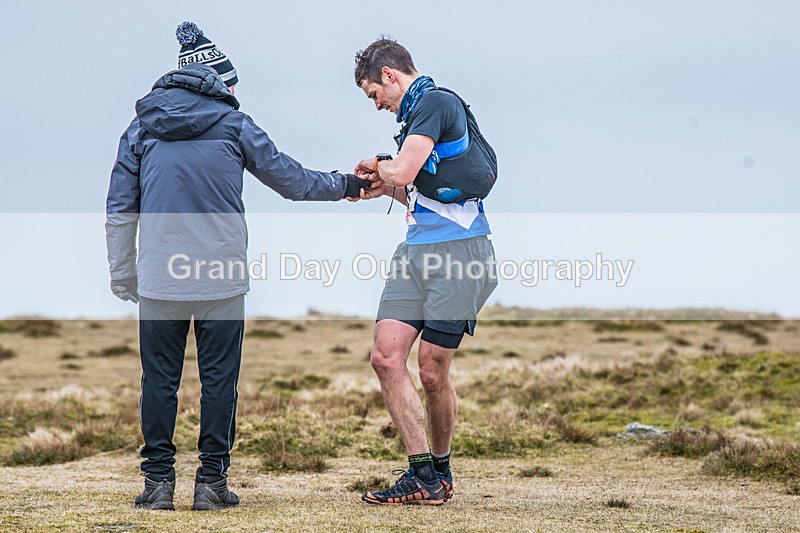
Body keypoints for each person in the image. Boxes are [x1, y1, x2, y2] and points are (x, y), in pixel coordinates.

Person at [105, 22, 371, 512]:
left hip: (159, 278)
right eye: (232, 82)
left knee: (158, 381)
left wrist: (124, 273)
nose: (235, 91)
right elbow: (291, 180)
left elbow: (120, 208)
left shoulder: (141, 127)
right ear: (215, 80)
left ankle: (157, 485)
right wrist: (348, 185)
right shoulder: (234, 124)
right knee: (219, 380)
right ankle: (210, 485)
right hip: (221, 278)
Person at [352, 38, 499, 506]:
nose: (377, 105)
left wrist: (381, 167)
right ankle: (422, 476)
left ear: (390, 76)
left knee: (433, 373)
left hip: (459, 253)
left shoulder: (435, 103)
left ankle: (442, 468)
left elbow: (408, 167)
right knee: (384, 358)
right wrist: (384, 189)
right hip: (414, 252)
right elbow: (421, 190)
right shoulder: (414, 120)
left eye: (375, 94)